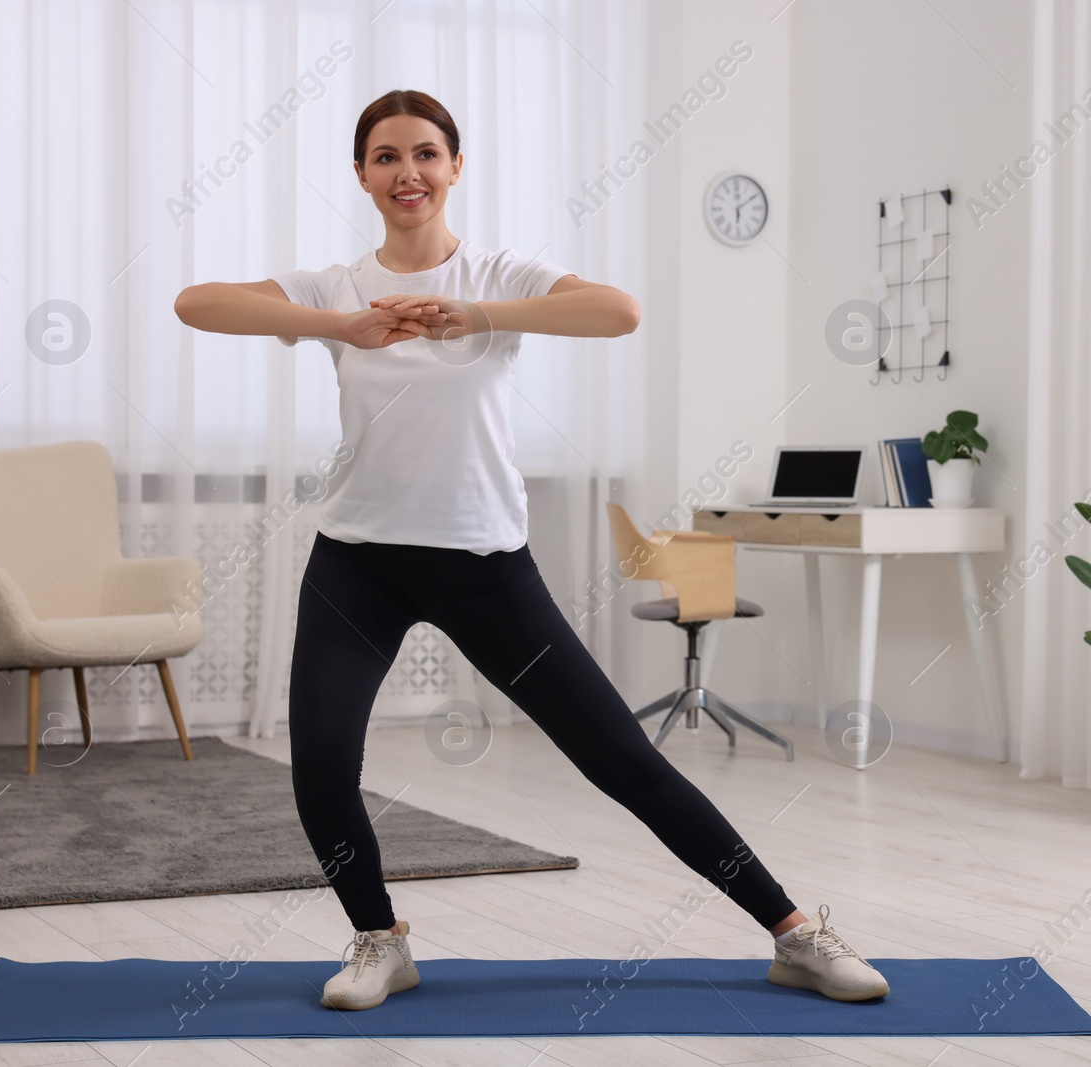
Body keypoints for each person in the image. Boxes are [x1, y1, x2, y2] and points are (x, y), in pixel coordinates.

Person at [173, 89, 890, 1011]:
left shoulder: (501, 274)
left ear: (456, 166)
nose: (408, 173)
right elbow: (198, 302)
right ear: (361, 175)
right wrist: (339, 326)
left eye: (426, 154)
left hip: (482, 564)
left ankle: (794, 932)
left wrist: (478, 316)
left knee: (620, 759)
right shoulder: (334, 288)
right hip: (357, 561)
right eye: (386, 157)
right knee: (319, 764)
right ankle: (378, 940)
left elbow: (618, 311)